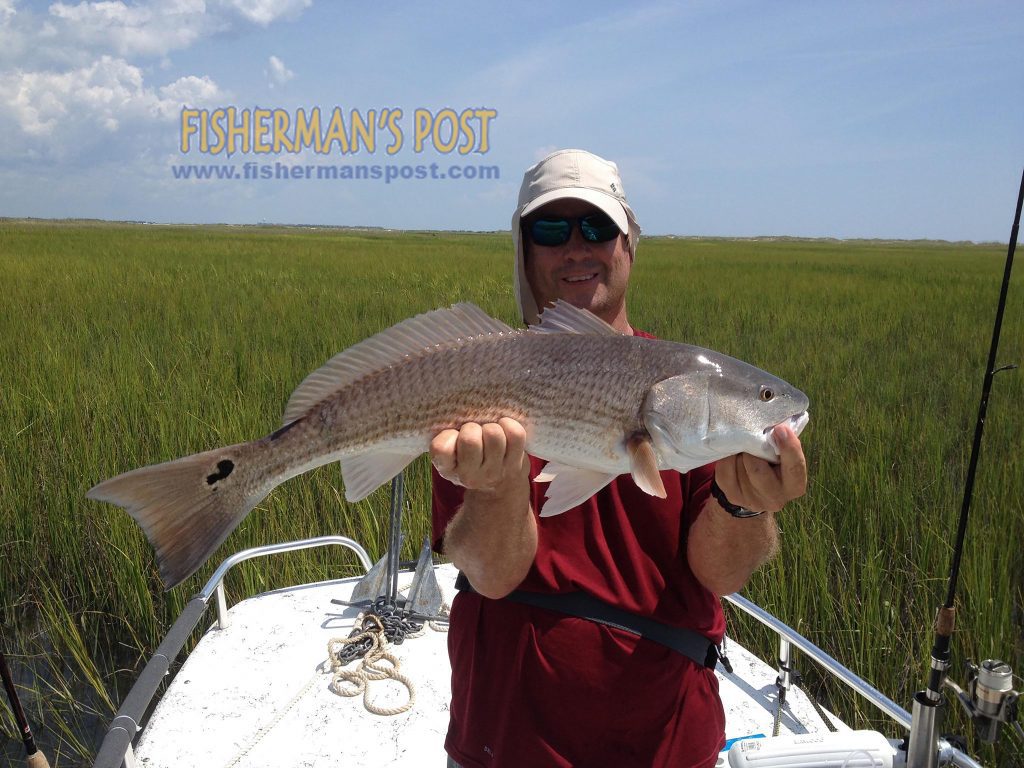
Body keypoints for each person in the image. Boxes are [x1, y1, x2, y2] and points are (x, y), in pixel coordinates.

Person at [429, 148, 807, 768]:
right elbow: (492, 578)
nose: (577, 247)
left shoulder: (688, 391)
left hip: (665, 744)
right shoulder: (482, 383)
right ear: (523, 252)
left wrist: (743, 505)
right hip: (507, 743)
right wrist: (498, 490)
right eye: (551, 230)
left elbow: (719, 575)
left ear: (629, 243)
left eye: (598, 228)